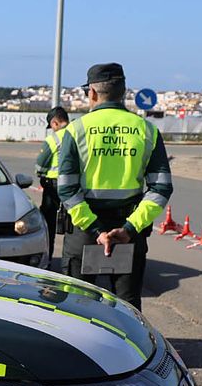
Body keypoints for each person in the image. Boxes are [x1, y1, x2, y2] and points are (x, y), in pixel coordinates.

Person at [54, 62, 173, 308]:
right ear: (124, 92)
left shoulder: (76, 130)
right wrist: (130, 228)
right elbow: (161, 188)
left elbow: (66, 189)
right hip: (127, 232)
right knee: (127, 306)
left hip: (85, 231)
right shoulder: (146, 129)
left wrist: (97, 231)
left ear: (92, 93)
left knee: (76, 305)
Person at [33, 106, 71, 267]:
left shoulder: (53, 139)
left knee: (48, 223)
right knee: (73, 225)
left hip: (54, 187)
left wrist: (40, 175)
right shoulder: (78, 134)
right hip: (75, 186)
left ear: (55, 122)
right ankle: (70, 263)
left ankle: (47, 261)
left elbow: (41, 163)